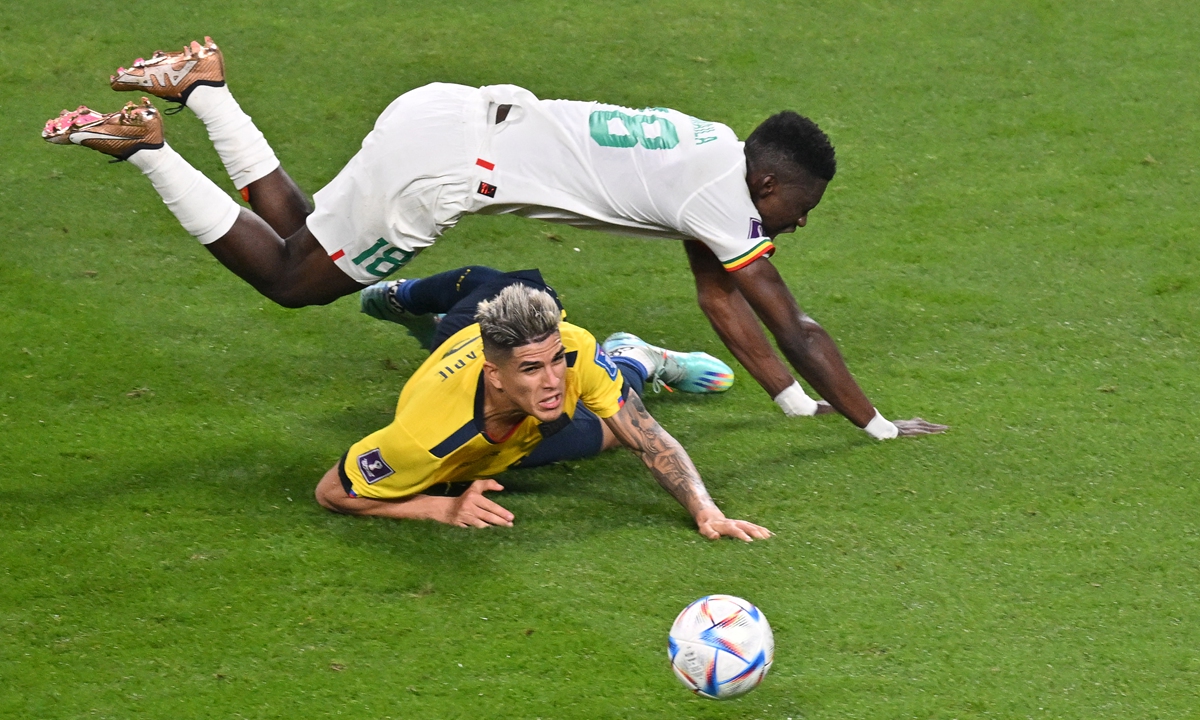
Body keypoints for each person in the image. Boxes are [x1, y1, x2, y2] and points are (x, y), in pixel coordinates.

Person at [43, 37, 946, 443]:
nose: (798, 223)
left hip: (443, 110)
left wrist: (796, 408)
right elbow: (796, 325)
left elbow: (719, 297)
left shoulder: (710, 149)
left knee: (302, 230)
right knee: (290, 280)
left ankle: (204, 87)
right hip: (453, 171)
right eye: (800, 207)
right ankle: (152, 147)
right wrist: (875, 426)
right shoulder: (729, 197)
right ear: (770, 184)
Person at [311, 266, 769, 541]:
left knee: (518, 289)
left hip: (505, 402)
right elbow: (331, 491)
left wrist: (707, 510)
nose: (554, 381)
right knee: (479, 284)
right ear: (497, 375)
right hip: (462, 349)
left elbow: (649, 438)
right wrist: (440, 508)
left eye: (555, 362)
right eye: (533, 369)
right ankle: (403, 297)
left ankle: (635, 356)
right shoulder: (420, 439)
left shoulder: (570, 349)